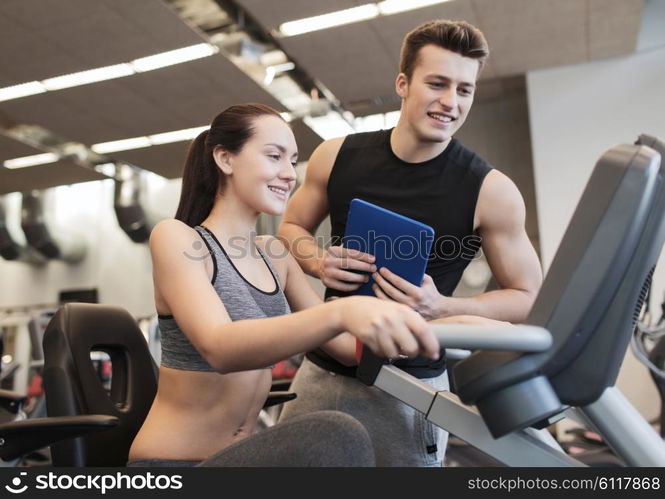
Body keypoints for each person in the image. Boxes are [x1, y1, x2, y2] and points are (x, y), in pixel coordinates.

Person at [277, 20, 543, 466]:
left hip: (414, 390)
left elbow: (528, 296)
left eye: (464, 90)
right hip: (322, 373)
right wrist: (318, 262)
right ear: (403, 83)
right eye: (437, 84)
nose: (450, 102)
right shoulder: (337, 155)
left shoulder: (490, 190)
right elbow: (291, 227)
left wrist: (446, 307)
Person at [127, 103, 442, 467]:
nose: (289, 174)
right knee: (335, 433)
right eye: (274, 156)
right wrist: (344, 310)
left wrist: (409, 320)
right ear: (225, 159)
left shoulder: (275, 254)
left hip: (239, 460)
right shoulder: (177, 238)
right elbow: (220, 347)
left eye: (293, 161)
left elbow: (342, 348)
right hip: (173, 464)